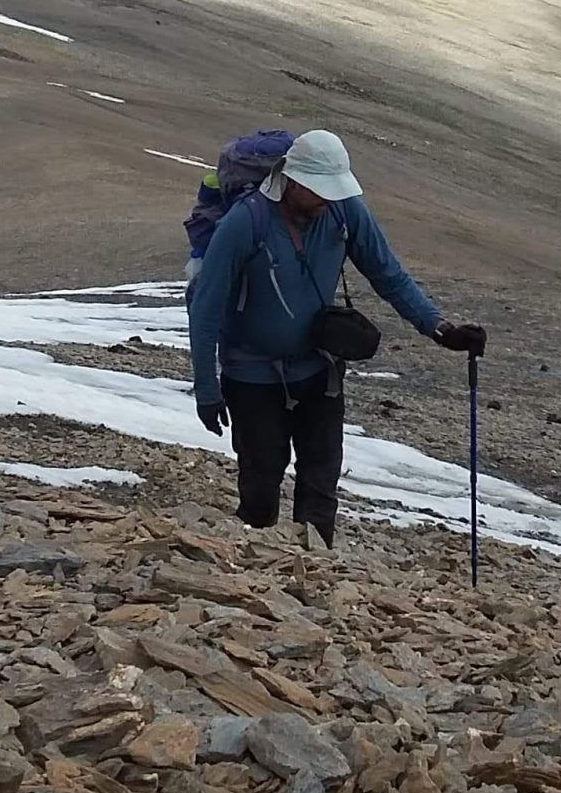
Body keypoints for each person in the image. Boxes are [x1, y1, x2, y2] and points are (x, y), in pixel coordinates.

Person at [186, 129, 485, 548]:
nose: (327, 199)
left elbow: (389, 274)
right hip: (251, 375)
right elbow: (206, 307)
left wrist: (440, 329)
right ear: (293, 180)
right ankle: (256, 570)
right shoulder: (245, 222)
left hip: (319, 369)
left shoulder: (345, 213)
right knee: (260, 487)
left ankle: (314, 575)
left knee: (321, 482)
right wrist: (206, 387)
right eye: (319, 191)